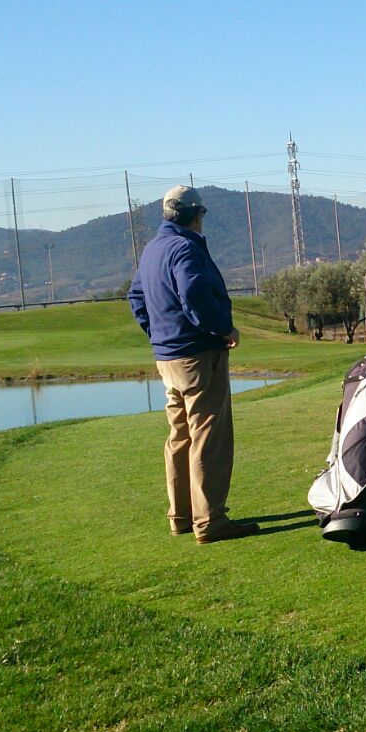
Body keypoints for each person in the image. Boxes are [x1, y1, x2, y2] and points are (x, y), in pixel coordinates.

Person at [127, 186, 258, 544]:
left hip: (167, 357)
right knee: (208, 437)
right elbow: (194, 295)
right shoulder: (185, 248)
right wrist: (223, 328)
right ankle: (210, 520)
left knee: (180, 436)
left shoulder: (153, 249)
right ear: (195, 215)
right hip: (198, 355)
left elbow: (136, 296)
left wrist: (157, 333)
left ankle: (182, 516)